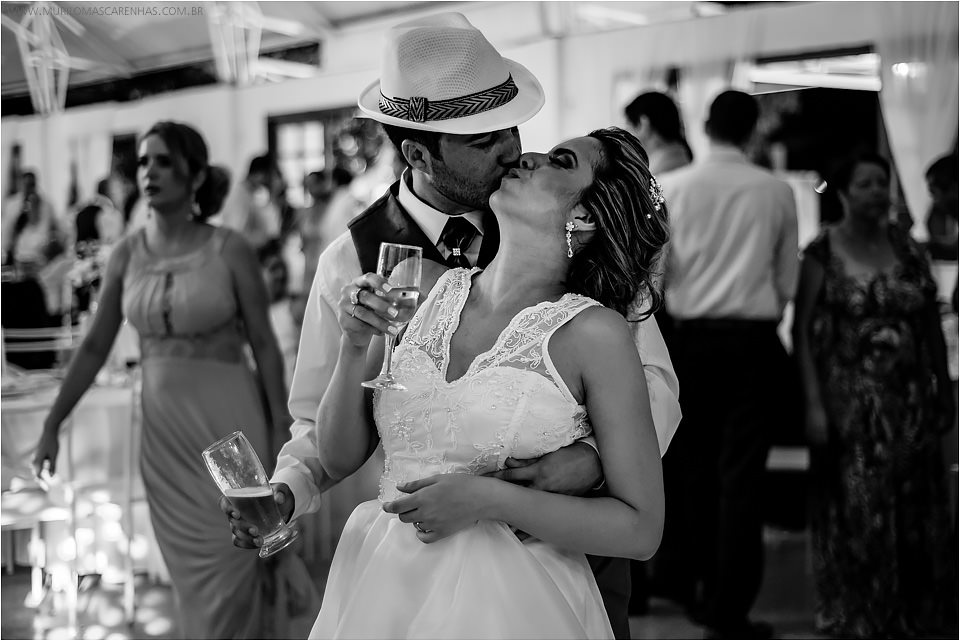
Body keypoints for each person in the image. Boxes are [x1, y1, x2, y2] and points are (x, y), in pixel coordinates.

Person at [223, 12, 681, 640]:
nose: (514, 151)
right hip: (400, 581)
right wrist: (285, 490)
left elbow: (653, 382)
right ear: (418, 152)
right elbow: (321, 425)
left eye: (512, 128)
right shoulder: (353, 263)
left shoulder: (565, 230)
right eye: (483, 139)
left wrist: (591, 458)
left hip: (562, 563)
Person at [313, 123, 666, 638]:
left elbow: (641, 530)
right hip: (386, 588)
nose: (529, 157)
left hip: (516, 601)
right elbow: (337, 456)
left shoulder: (595, 333)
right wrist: (351, 344)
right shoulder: (422, 288)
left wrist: (487, 500)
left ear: (585, 215)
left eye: (561, 162)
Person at [33, 121, 291, 639]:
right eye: (145, 162)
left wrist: (283, 432)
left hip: (230, 436)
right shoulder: (127, 253)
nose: (149, 172)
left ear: (196, 176)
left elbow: (264, 345)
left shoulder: (230, 249)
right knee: (192, 583)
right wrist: (52, 423)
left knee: (238, 559)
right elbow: (94, 346)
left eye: (165, 161)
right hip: (165, 440)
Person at [793, 152, 954, 638]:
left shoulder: (908, 249)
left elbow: (928, 323)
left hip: (909, 403)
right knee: (858, 509)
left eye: (881, 183)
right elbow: (802, 333)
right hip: (849, 407)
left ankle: (914, 613)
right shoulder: (821, 254)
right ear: (843, 192)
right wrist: (814, 404)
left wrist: (943, 387)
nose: (876, 192)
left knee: (915, 507)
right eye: (865, 183)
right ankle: (857, 611)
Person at [660, 90, 798, 638]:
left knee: (693, 470)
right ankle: (730, 607)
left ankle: (694, 590)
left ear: (707, 125)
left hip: (690, 341)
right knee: (742, 478)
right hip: (753, 344)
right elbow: (785, 277)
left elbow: (660, 273)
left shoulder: (673, 188)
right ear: (751, 130)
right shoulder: (775, 191)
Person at [220, 153, 282, 251]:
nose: (270, 181)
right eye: (269, 176)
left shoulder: (257, 195)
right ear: (259, 173)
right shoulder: (239, 195)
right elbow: (236, 232)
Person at [624, 91, 693, 175]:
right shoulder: (682, 156)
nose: (626, 134)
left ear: (644, 123)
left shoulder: (659, 172)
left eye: (628, 126)